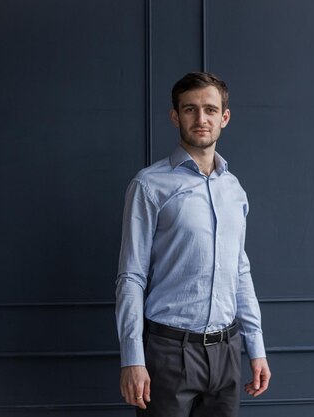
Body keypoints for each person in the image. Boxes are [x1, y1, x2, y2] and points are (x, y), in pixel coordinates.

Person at [115, 72, 271, 416]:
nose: (201, 119)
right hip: (168, 352)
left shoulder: (234, 190)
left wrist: (255, 347)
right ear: (176, 116)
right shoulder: (148, 186)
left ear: (224, 118)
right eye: (190, 110)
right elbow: (131, 277)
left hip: (227, 352)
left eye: (210, 110)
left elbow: (240, 272)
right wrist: (132, 358)